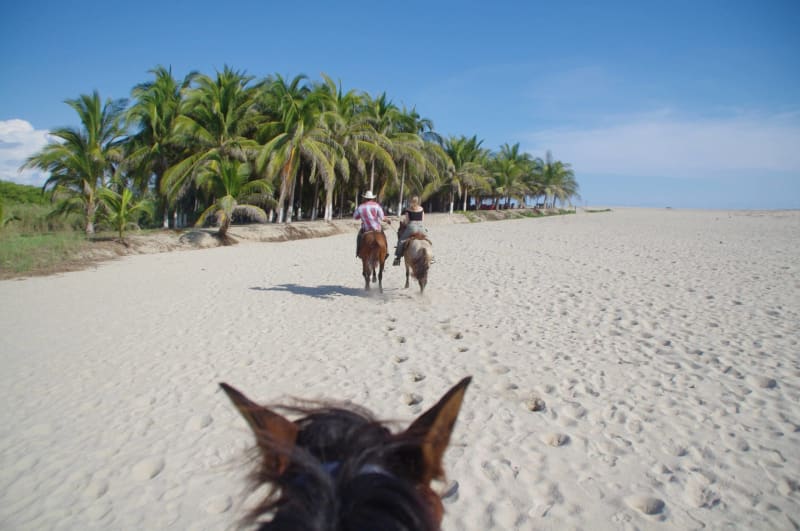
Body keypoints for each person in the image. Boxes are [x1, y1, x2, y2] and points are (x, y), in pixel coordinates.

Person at [393, 195, 428, 266]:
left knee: (401, 241)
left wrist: (404, 223)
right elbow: (423, 220)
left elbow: (407, 221)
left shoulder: (408, 209)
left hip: (412, 227)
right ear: (418, 201)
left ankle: (398, 257)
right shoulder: (421, 209)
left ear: (411, 201)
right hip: (421, 227)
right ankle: (432, 257)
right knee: (427, 240)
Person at [353, 190, 386, 257]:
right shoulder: (377, 206)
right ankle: (386, 251)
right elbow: (382, 218)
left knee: (359, 236)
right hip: (377, 228)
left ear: (365, 198)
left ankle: (358, 251)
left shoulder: (361, 207)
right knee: (383, 236)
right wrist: (387, 220)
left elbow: (355, 217)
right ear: (372, 198)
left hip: (366, 229)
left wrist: (361, 216)